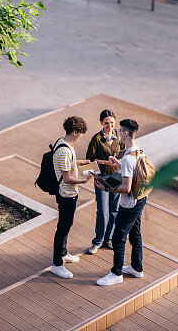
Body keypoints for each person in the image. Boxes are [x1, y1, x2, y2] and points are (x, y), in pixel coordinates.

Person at [96, 119, 147, 286]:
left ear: (125, 133)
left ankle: (116, 273)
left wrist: (106, 188)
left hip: (130, 203)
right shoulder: (137, 150)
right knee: (135, 233)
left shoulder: (127, 158)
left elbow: (126, 187)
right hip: (141, 198)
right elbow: (131, 171)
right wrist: (117, 163)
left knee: (118, 238)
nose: (117, 133)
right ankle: (136, 268)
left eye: (119, 130)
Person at [51, 116, 92, 279]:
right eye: (80, 133)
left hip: (67, 194)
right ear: (75, 132)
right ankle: (57, 264)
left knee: (67, 225)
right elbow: (67, 178)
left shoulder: (63, 142)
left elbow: (67, 164)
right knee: (63, 227)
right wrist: (83, 180)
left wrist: (82, 162)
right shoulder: (65, 150)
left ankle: (63, 253)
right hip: (67, 194)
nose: (80, 137)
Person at [86, 109, 125, 254]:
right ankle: (97, 241)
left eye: (112, 123)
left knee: (114, 209)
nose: (110, 126)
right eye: (107, 123)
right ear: (101, 123)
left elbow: (121, 150)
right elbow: (90, 160)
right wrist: (104, 162)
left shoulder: (118, 136)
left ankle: (109, 239)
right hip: (102, 177)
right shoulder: (96, 139)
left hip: (116, 176)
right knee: (102, 211)